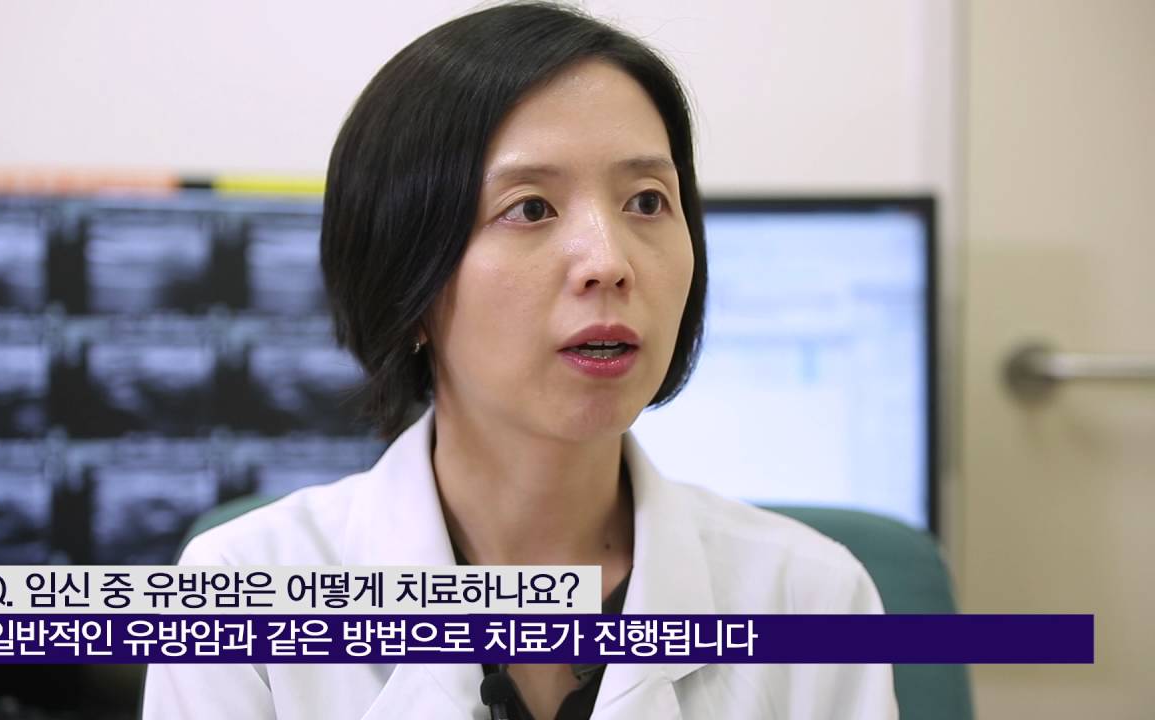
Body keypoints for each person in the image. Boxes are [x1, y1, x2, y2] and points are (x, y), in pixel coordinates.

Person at [143, 3, 899, 718]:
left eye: (646, 201)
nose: (609, 262)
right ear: (408, 282)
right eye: (530, 208)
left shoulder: (815, 602)